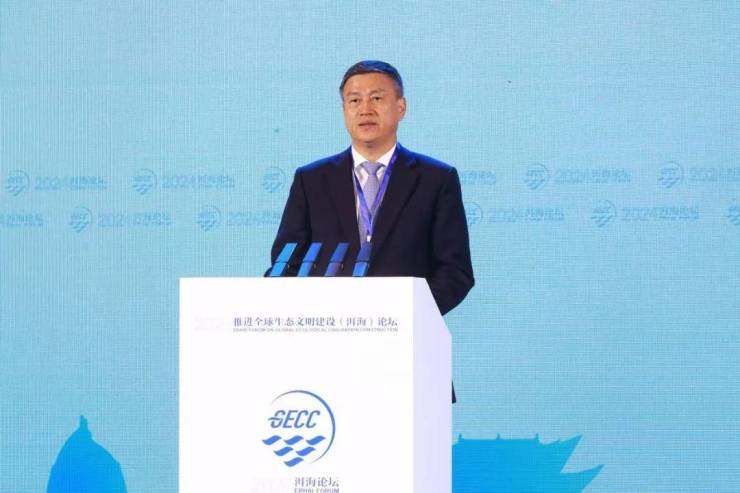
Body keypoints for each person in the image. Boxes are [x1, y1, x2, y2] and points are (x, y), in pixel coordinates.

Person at [270, 60, 474, 316]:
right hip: (328, 329)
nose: (365, 109)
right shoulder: (311, 180)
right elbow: (286, 265)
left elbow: (455, 272)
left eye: (376, 98)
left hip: (404, 330)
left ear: (401, 107)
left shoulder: (436, 179)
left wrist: (404, 315)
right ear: (344, 110)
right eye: (355, 100)